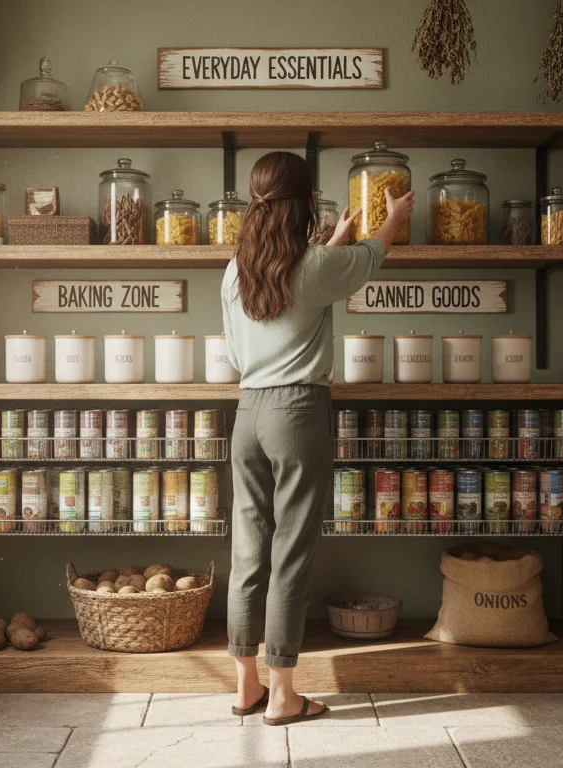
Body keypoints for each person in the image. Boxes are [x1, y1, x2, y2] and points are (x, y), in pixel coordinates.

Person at [220, 151, 414, 725]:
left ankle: (245, 687)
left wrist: (333, 245)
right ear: (305, 203)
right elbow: (374, 255)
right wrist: (392, 218)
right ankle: (284, 695)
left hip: (247, 413)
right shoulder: (313, 266)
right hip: (297, 413)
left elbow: (235, 353)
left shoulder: (234, 271)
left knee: (247, 551)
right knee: (291, 554)